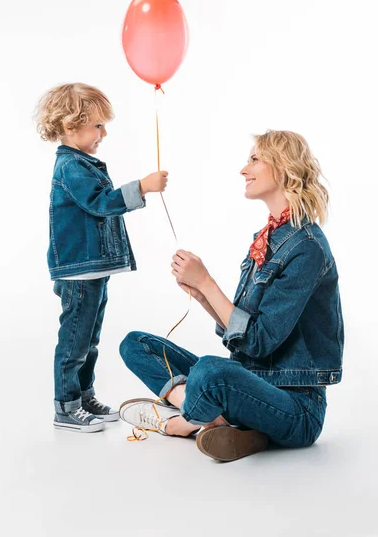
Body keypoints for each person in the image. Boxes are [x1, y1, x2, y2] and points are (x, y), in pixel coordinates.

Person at [119, 130, 344, 462]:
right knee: (135, 344)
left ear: (283, 167)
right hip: (248, 383)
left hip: (296, 409)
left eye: (254, 159)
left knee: (211, 371)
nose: (243, 169)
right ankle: (216, 420)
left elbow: (259, 341)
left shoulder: (307, 248)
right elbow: (243, 329)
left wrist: (208, 282)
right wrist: (203, 297)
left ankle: (180, 423)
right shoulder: (270, 239)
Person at [35, 82, 168, 432]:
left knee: (89, 339)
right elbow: (101, 203)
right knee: (75, 341)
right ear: (69, 126)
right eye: (97, 126)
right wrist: (142, 186)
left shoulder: (83, 163)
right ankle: (66, 406)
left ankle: (82, 395)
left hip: (92, 270)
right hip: (79, 272)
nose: (103, 133)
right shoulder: (71, 168)